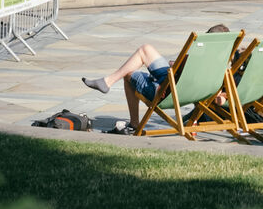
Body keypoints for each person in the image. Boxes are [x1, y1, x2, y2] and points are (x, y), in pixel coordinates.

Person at [81, 25, 232, 130]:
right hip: (182, 88)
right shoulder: (219, 66)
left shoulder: (192, 61)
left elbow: (178, 73)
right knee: (145, 49)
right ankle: (107, 81)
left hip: (166, 93)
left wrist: (176, 66)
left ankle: (133, 122)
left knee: (128, 73)